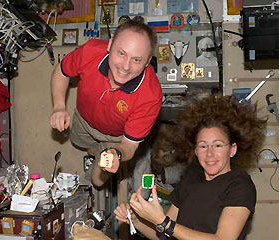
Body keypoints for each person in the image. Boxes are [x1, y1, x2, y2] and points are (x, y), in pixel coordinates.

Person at [115, 95, 267, 240]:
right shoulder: (190, 179)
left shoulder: (238, 185)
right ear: (195, 151)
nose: (209, 154)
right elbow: (163, 235)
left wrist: (162, 221)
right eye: (203, 146)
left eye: (218, 145)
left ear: (232, 149)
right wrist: (135, 220)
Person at [50, 19, 163, 187]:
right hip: (83, 119)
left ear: (147, 62)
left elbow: (129, 145)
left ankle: (135, 156)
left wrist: (116, 153)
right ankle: (96, 151)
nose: (125, 66)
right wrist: (59, 107)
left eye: (137, 60)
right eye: (121, 53)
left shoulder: (151, 95)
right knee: (80, 143)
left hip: (116, 137)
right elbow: (62, 71)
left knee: (97, 181)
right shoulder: (90, 51)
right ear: (110, 45)